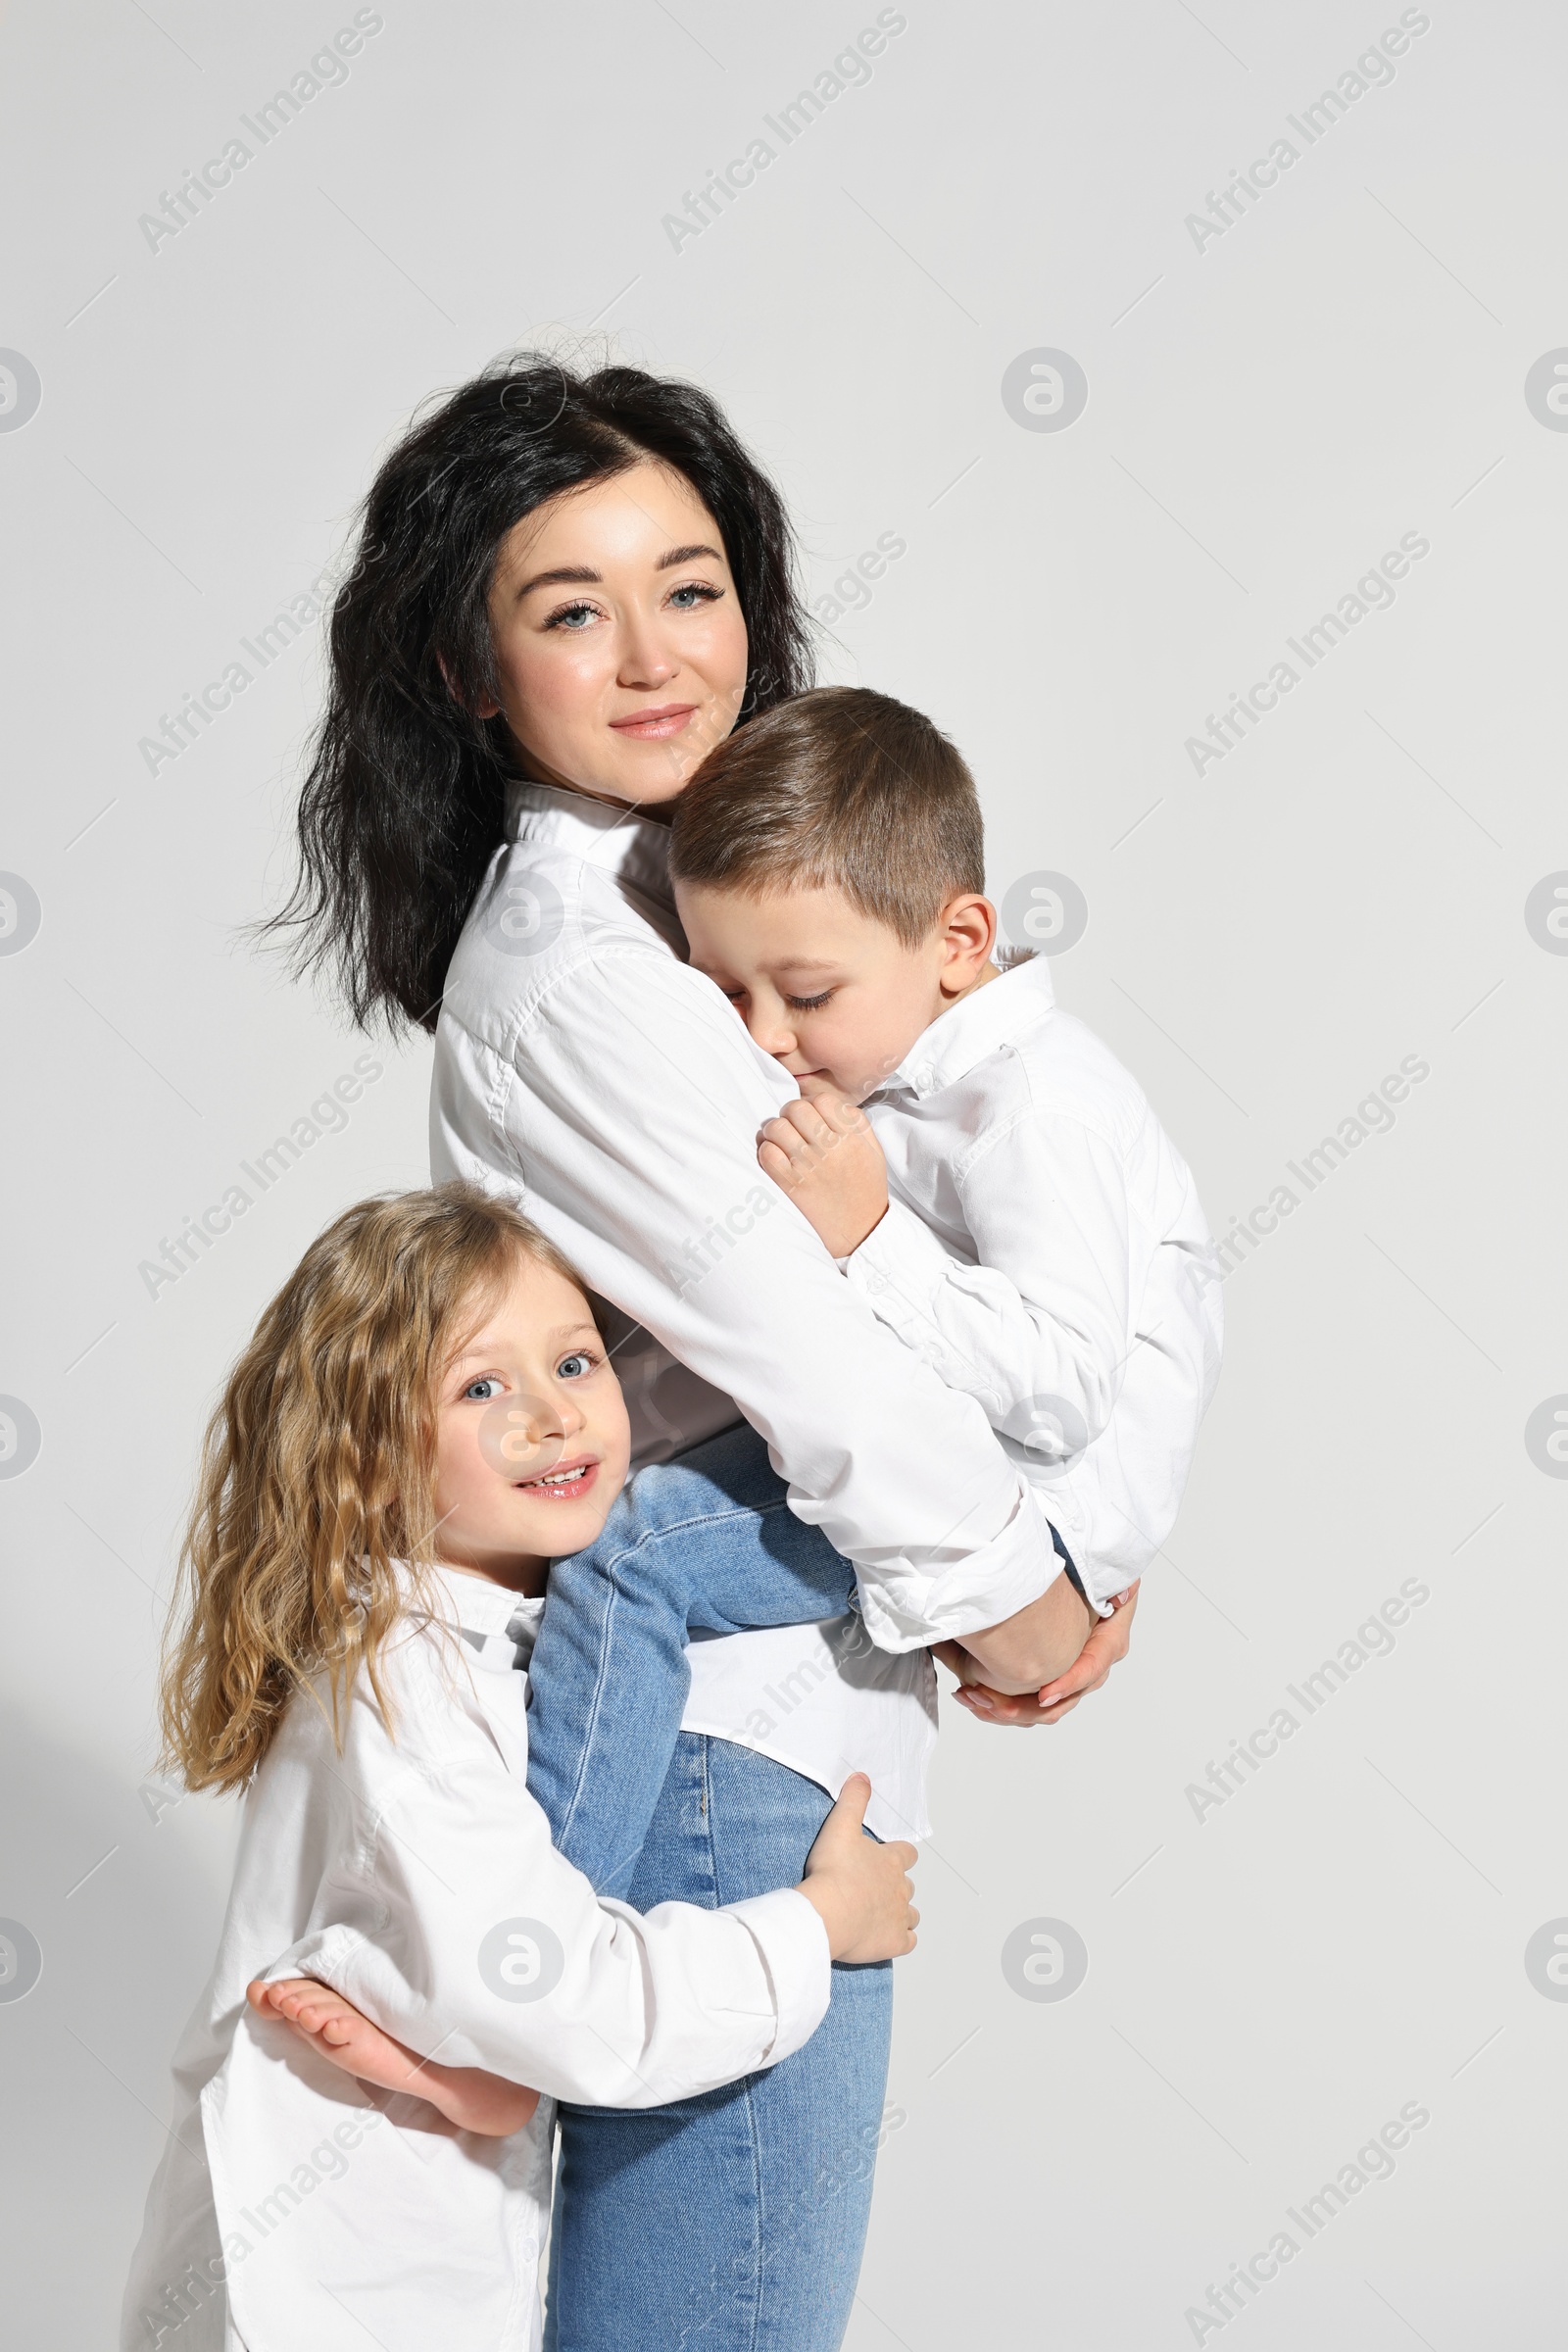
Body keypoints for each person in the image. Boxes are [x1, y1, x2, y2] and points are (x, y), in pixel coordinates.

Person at [275, 352, 1140, 2349]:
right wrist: (1022, 1604)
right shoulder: (588, 971)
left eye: (692, 585)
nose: (656, 654)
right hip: (723, 1768)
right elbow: (813, 1352)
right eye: (569, 608)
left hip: (747, 1728)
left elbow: (911, 1270)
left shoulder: (695, 912)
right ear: (469, 670)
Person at [121, 1185, 916, 2352]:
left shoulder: (490, 1649)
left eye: (578, 1364)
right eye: (480, 1387)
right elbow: (559, 1990)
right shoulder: (397, 1680)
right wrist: (814, 1924)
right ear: (365, 1452)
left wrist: (470, 2076)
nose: (552, 1417)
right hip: (307, 2304)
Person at [513, 682, 1221, 1883]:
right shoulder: (909, 1067)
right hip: (1007, 1483)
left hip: (1033, 1493)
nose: (765, 1038)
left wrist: (868, 1229)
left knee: (632, 1552)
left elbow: (1058, 1391)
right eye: (727, 993)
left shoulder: (1032, 1110)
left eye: (805, 994)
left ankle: (518, 1937)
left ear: (958, 943)